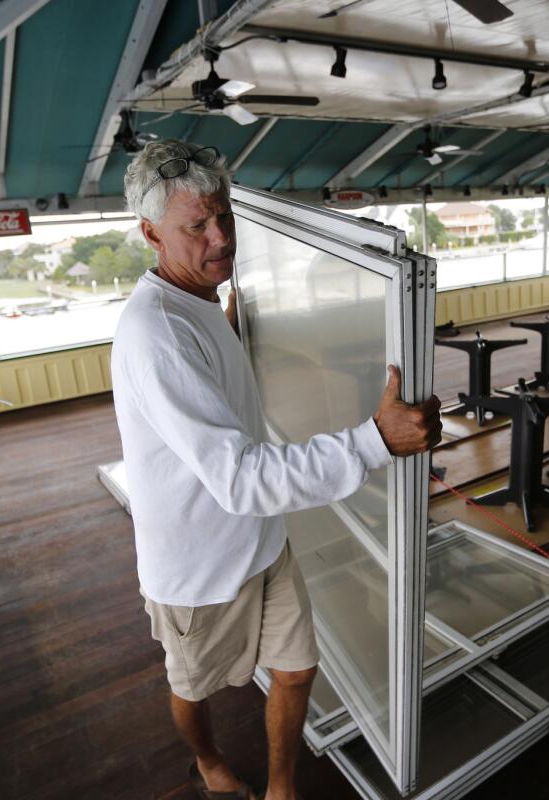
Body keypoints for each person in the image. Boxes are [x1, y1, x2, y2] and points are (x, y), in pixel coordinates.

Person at [111, 139, 441, 800]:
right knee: (193, 687)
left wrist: (232, 330)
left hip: (261, 539)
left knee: (296, 671)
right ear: (151, 233)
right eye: (196, 227)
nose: (221, 239)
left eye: (225, 218)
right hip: (198, 567)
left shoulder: (199, 304)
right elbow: (238, 479)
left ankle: (282, 787)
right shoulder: (158, 336)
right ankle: (205, 758)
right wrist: (374, 440)